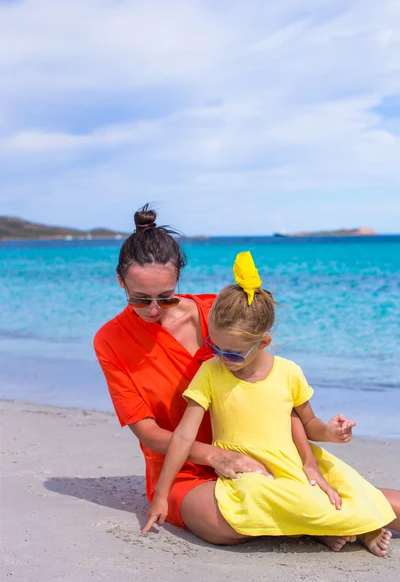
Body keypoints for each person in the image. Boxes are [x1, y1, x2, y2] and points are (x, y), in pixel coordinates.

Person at [94, 204, 400, 551]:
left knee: (375, 502)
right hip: (186, 469)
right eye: (139, 299)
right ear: (120, 281)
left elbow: (279, 395)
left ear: (178, 276)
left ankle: (330, 520)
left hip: (267, 454)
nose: (152, 310)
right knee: (223, 525)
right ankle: (324, 524)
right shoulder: (110, 340)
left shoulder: (223, 316)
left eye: (165, 298)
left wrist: (313, 447)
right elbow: (147, 432)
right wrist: (215, 457)